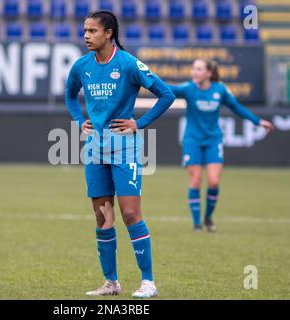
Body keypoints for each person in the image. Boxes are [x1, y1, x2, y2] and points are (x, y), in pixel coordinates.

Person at [65, 10, 174, 298]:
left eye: (92, 31)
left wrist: (140, 123)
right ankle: (111, 283)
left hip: (125, 148)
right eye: (85, 30)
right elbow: (69, 95)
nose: (86, 35)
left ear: (108, 33)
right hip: (95, 150)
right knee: (103, 216)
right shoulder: (81, 66)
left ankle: (148, 281)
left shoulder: (128, 64)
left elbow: (167, 95)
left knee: (129, 213)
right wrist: (79, 120)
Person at [168, 59, 274, 232]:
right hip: (192, 140)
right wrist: (143, 80)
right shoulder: (188, 88)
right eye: (194, 68)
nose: (194, 72)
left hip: (213, 140)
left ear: (209, 73)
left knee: (214, 181)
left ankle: (208, 217)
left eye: (199, 69)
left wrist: (258, 121)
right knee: (195, 180)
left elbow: (237, 108)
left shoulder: (220, 90)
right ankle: (197, 224)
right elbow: (166, 90)